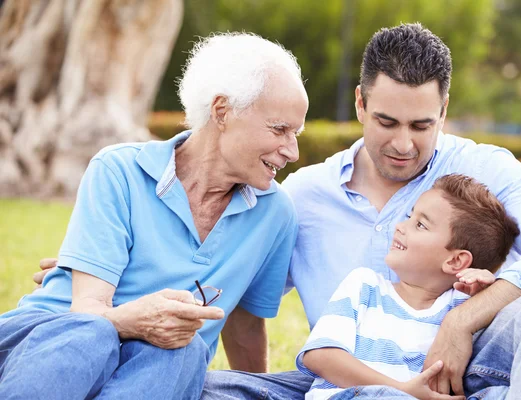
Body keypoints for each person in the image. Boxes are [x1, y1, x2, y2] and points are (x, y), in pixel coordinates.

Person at [200, 23, 521, 399]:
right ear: (360, 103)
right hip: (349, 381)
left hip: (464, 375)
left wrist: (463, 319)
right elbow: (246, 300)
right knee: (205, 388)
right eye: (387, 122)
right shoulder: (305, 195)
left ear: (443, 111)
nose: (404, 144)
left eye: (422, 126)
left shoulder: (485, 168)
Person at [1, 32, 308, 400]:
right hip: (54, 340)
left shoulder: (275, 214)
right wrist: (139, 319)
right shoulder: (119, 169)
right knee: (97, 335)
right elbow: (87, 312)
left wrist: (253, 391)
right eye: (280, 130)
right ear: (222, 111)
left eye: (297, 133)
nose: (292, 151)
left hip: (151, 367)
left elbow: (244, 326)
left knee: (187, 350)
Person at [297, 174, 519, 400]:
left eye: (420, 225)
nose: (400, 227)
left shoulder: (459, 306)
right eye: (409, 216)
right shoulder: (365, 285)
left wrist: (485, 294)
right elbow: (319, 356)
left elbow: (518, 332)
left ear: (455, 261)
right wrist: (400, 390)